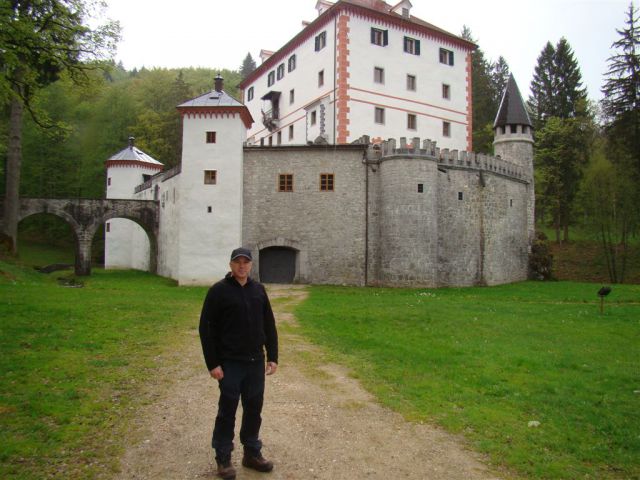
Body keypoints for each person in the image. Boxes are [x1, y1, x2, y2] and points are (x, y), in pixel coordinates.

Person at [199, 247, 279, 480]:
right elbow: (206, 329)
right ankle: (223, 457)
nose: (242, 266)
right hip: (230, 362)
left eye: (246, 262)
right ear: (231, 265)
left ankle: (252, 453)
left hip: (255, 361)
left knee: (254, 409)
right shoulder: (218, 292)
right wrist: (213, 363)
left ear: (251, 265)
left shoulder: (258, 291)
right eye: (237, 262)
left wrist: (273, 356)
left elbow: (269, 325)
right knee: (228, 409)